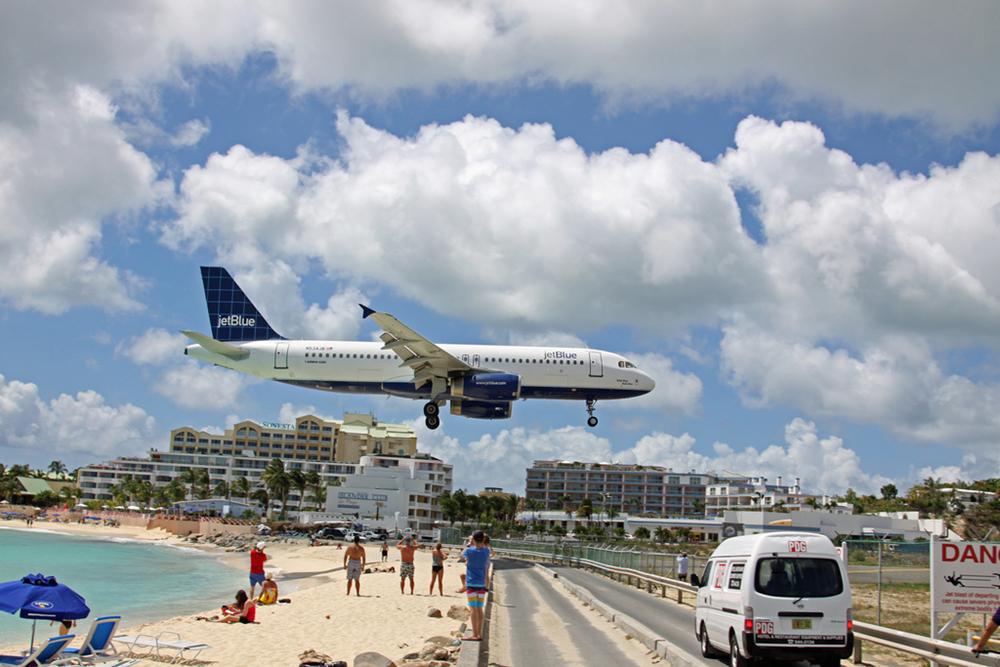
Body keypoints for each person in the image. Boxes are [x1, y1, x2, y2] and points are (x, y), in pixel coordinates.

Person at [462, 531, 491, 641]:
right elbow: (484, 547)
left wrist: (470, 542)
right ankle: (479, 633)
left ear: (473, 539)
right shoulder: (486, 551)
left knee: (473, 609)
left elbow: (462, 554)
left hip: (471, 582)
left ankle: (475, 634)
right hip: (481, 583)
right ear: (483, 539)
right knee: (479, 608)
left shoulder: (469, 551)